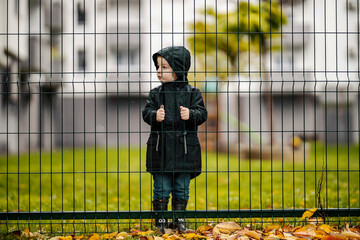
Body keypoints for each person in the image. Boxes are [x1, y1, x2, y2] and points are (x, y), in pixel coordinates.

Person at [142, 46, 207, 233]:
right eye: (157, 67)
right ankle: (161, 221)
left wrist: (191, 114)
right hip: (160, 150)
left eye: (164, 67)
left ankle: (180, 221)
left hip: (185, 151)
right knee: (161, 188)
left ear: (178, 69)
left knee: (181, 188)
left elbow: (202, 114)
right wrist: (155, 115)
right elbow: (146, 113)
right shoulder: (155, 94)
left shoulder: (192, 93)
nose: (159, 71)